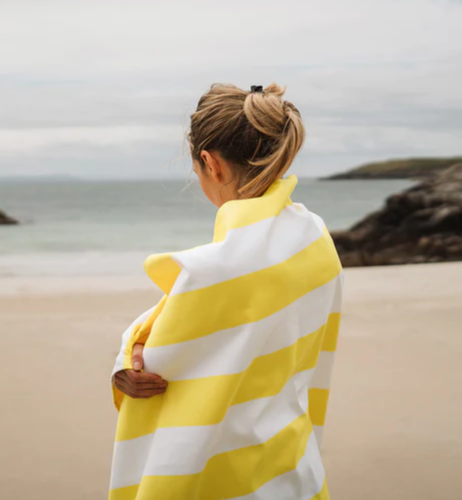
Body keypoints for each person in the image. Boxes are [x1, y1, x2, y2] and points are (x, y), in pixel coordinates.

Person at [109, 83, 343, 500]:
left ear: (210, 163)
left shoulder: (211, 273)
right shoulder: (315, 237)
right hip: (295, 470)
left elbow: (157, 367)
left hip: (224, 483)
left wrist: (130, 352)